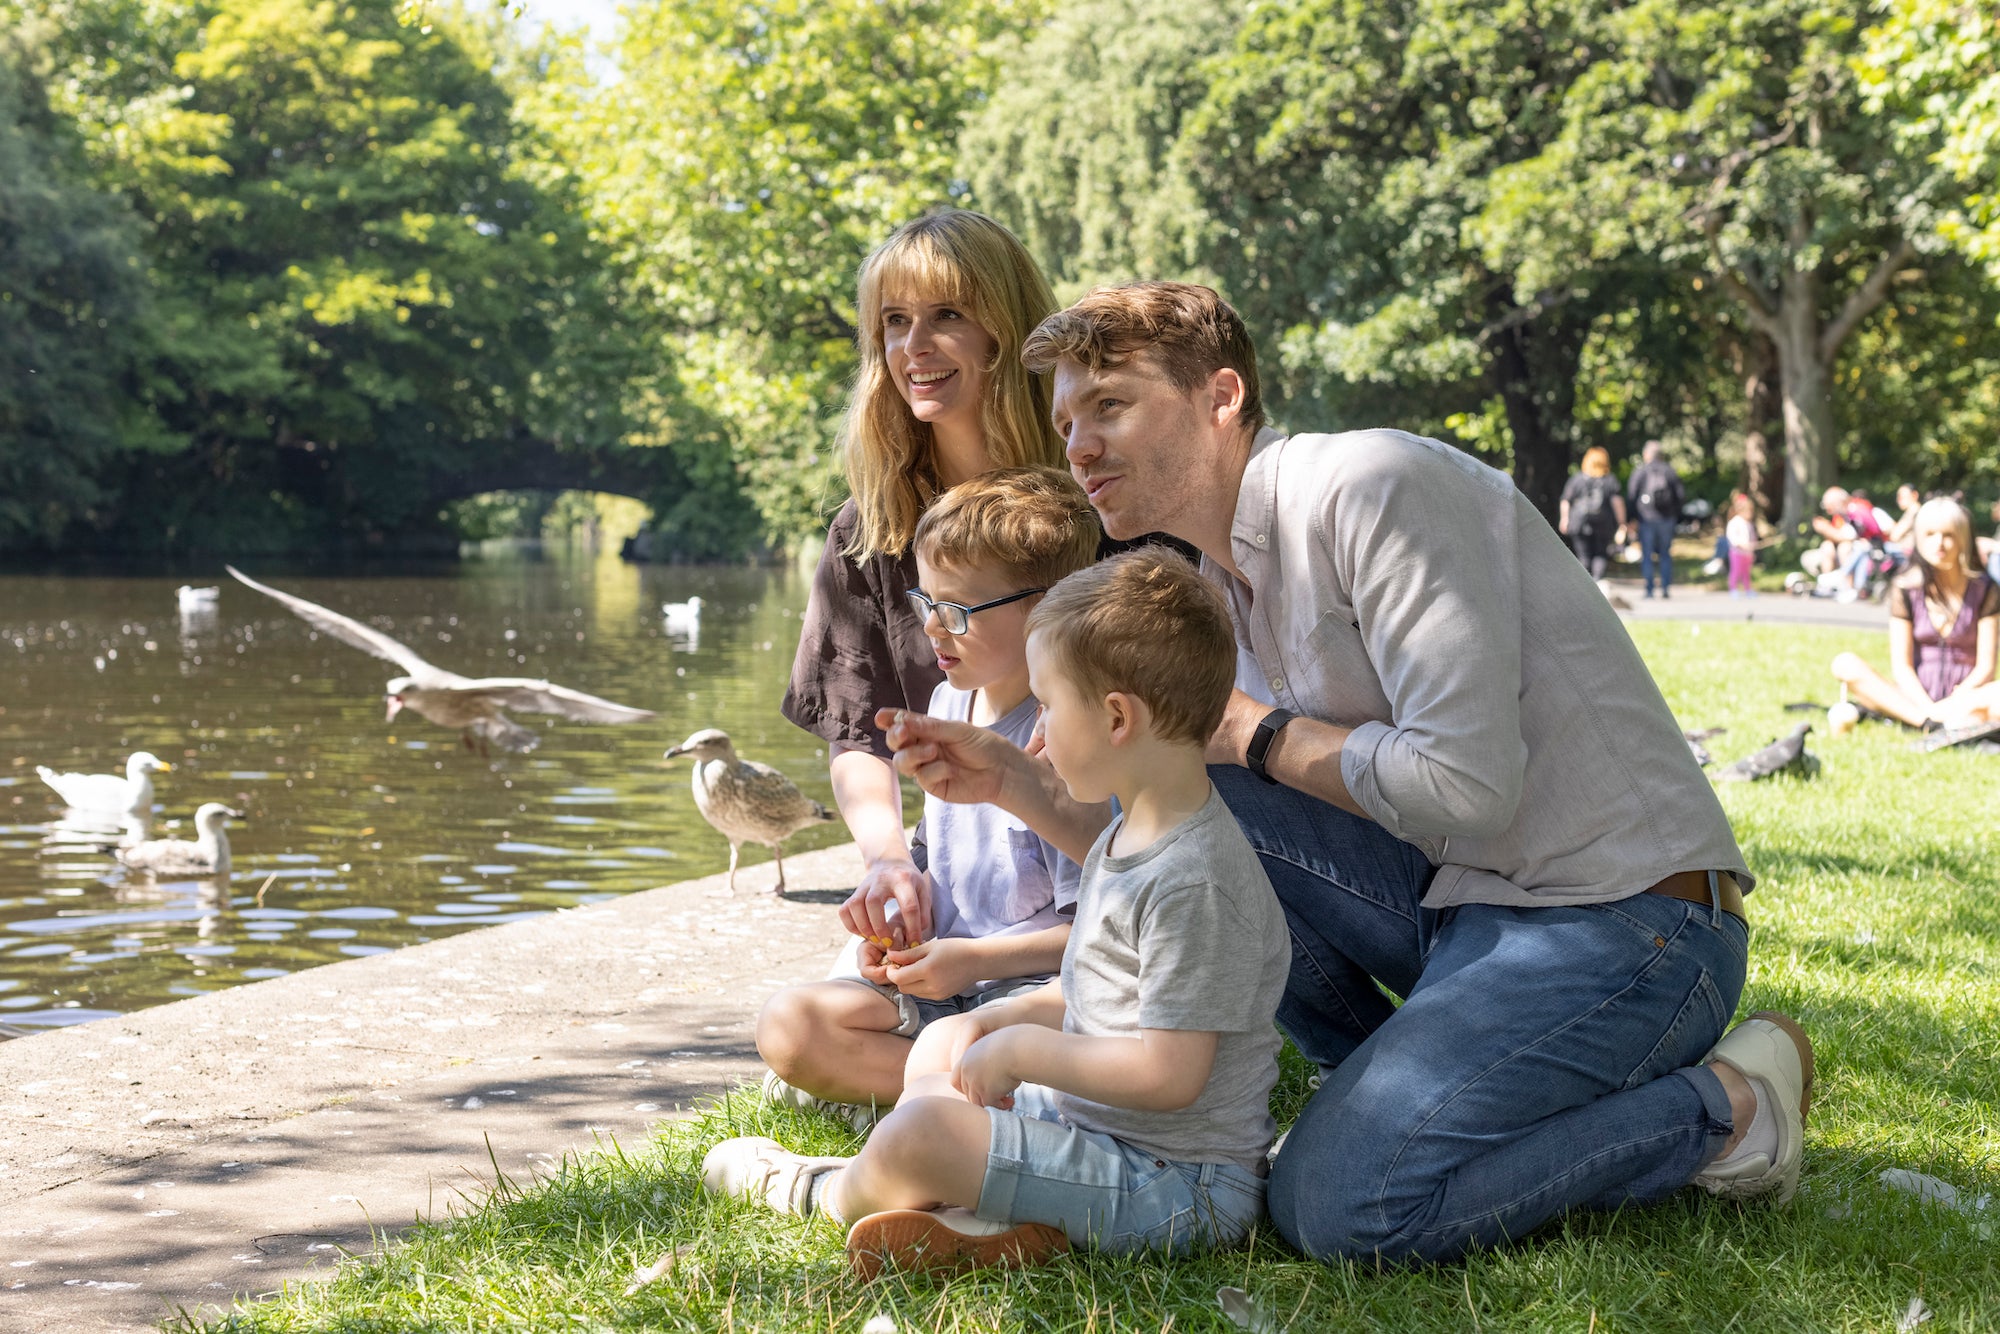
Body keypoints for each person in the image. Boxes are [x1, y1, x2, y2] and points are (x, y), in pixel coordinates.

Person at [880, 281, 1812, 1266]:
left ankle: (1731, 1102)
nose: (1077, 446)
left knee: (1337, 1205)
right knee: (1201, 799)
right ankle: (1374, 1090)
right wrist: (1013, 785)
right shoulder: (1210, 583)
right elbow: (1172, 854)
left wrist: (1251, 731)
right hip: (1465, 912)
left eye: (1110, 404)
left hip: (1631, 919)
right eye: (1067, 420)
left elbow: (1469, 785)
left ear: (1221, 397)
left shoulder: (1372, 486)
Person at [706, 551, 1289, 1279]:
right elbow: (1107, 996)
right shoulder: (1132, 832)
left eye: (1049, 704)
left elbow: (1168, 1074)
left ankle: (824, 1189)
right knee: (944, 1041)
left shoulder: (1194, 881)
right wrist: (994, 1021)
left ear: (1116, 718)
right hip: (1100, 1130)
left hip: (1177, 1184)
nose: (1036, 726)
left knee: (923, 1135)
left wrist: (1022, 1051)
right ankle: (975, 1215)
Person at [757, 468, 1100, 1119]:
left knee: (978, 1043)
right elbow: (954, 870)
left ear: (1049, 607)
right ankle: (966, 1098)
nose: (934, 629)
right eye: (926, 602)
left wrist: (970, 963)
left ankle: (949, 1099)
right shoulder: (947, 702)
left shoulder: (1065, 742)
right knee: (789, 1025)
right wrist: (903, 936)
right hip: (950, 987)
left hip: (1037, 998)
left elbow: (1101, 933)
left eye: (959, 610)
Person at [780, 209, 1067, 964]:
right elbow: (857, 729)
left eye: (947, 315)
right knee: (821, 1011)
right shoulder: (868, 528)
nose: (915, 346)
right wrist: (888, 862)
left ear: (1006, 330)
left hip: (1101, 847)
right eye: (895, 321)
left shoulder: (1094, 495)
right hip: (960, 854)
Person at [1831, 497, 1999, 730]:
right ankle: (1930, 723)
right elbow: (1902, 666)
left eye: (1948, 535)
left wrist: (1953, 703)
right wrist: (1928, 709)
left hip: (1966, 699)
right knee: (1845, 664)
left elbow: (1986, 668)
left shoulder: (1985, 590)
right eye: (1930, 534)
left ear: (1963, 539)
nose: (1939, 543)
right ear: (1919, 538)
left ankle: (1925, 720)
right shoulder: (1905, 588)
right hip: (1914, 698)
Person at [1626, 440, 1685, 598]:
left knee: (1647, 554)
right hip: (1667, 519)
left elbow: (1631, 496)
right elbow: (1680, 496)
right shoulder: (1669, 471)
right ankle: (1665, 588)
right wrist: (1676, 516)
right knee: (1665, 554)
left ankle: (1649, 589)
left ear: (1646, 454)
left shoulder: (1640, 471)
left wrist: (1631, 518)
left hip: (1646, 518)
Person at [1558, 446, 1626, 581]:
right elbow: (1617, 503)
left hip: (1579, 522)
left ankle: (1584, 584)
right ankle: (1596, 581)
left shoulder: (1577, 479)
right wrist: (1622, 523)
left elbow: (1566, 500)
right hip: (1603, 523)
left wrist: (1564, 519)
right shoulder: (1609, 480)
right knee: (1600, 554)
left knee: (1584, 556)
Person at [1725, 491, 1759, 597]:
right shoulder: (1734, 522)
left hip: (1747, 554)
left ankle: (1748, 589)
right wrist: (1741, 544)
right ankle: (1733, 589)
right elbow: (1732, 538)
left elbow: (1752, 537)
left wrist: (1752, 546)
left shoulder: (1749, 524)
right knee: (1736, 571)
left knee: (1746, 573)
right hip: (1737, 553)